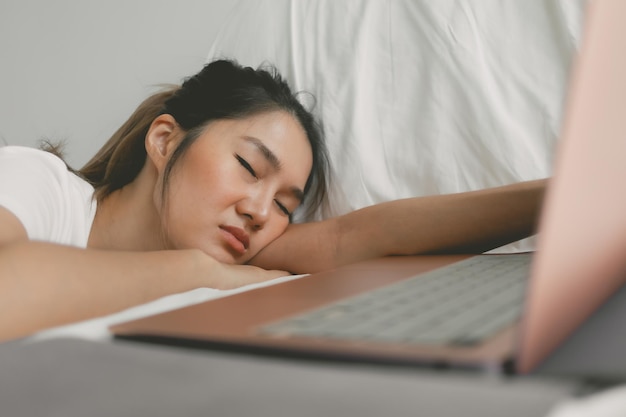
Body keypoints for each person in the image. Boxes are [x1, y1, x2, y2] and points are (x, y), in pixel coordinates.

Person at [0, 59, 546, 342]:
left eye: (286, 204)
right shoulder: (40, 183)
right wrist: (195, 272)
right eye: (247, 167)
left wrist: (559, 199)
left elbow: (351, 239)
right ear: (165, 140)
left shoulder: (232, 250)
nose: (261, 213)